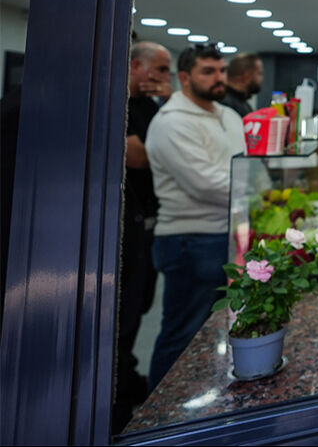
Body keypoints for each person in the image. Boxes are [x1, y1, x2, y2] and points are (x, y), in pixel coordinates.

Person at [145, 44, 246, 389]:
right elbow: (207, 184)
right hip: (190, 240)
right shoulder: (170, 123)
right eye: (208, 71)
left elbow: (245, 168)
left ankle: (202, 404)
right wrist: (256, 193)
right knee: (184, 335)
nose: (218, 78)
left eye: (221, 70)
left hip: (228, 234)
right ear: (184, 77)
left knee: (216, 330)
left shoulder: (228, 115)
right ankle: (158, 422)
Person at [113, 41, 172, 428]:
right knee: (120, 314)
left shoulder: (153, 109)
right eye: (161, 70)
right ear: (137, 66)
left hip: (149, 223)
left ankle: (130, 379)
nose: (164, 79)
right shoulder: (118, 105)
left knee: (140, 306)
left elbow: (153, 150)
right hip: (120, 229)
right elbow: (137, 155)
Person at [219, 51, 262, 117]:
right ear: (246, 76)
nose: (261, 79)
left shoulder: (242, 103)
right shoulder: (226, 105)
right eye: (259, 74)